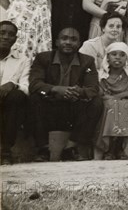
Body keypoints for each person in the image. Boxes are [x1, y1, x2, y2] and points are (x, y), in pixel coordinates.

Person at [28, 27, 103, 162]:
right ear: (56, 42)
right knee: (34, 98)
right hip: (49, 107)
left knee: (96, 102)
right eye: (64, 38)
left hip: (73, 110)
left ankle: (71, 148)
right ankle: (43, 149)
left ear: (79, 43)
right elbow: (34, 84)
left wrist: (77, 92)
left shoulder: (87, 61)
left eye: (73, 39)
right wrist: (56, 89)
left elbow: (93, 89)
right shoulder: (43, 58)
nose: (68, 42)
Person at [96, 42, 128, 160]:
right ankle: (113, 148)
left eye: (122, 55)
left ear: (126, 58)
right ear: (108, 58)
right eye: (114, 54)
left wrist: (117, 97)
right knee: (115, 106)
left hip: (127, 104)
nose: (118, 57)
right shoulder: (101, 76)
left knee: (122, 106)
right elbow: (100, 94)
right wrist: (117, 99)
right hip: (108, 105)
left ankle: (116, 148)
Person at [0, 21, 30, 165]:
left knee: (17, 96)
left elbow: (26, 86)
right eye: (2, 33)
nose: (6, 37)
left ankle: (6, 150)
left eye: (11, 34)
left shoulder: (22, 59)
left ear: (15, 39)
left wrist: (13, 84)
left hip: (8, 102)